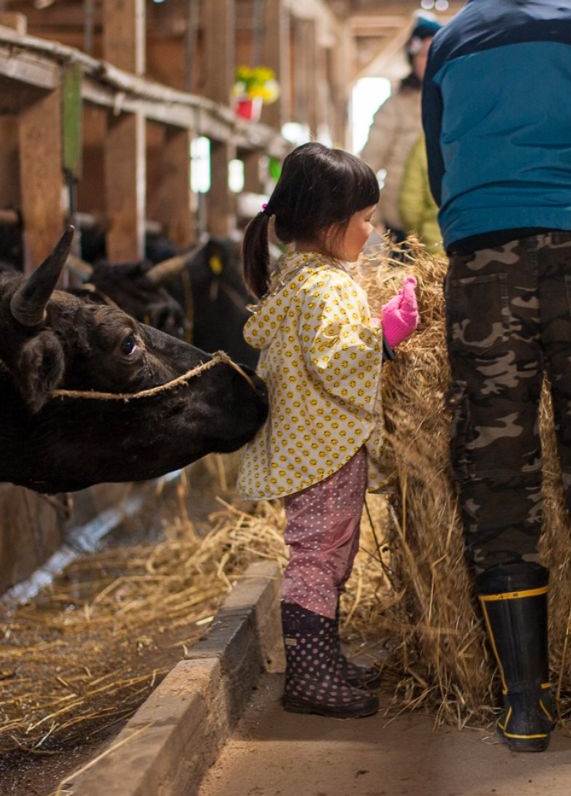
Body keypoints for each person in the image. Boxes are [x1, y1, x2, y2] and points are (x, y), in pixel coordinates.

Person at [422, 0, 571, 752]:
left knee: (496, 461)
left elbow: (440, 164)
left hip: (485, 250)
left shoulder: (453, 36)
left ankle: (525, 704)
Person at [236, 143, 420, 718]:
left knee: (330, 553)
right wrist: (385, 335)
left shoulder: (300, 277)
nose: (371, 231)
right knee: (318, 557)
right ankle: (309, 678)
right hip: (326, 449)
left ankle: (323, 662)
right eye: (364, 219)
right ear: (327, 223)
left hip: (314, 445)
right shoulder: (325, 286)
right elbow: (336, 360)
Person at [360, 14, 441, 248]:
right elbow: (371, 158)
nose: (429, 61)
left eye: (435, 54)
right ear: (412, 57)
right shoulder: (396, 104)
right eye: (423, 55)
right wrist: (365, 210)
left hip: (440, 215)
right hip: (401, 219)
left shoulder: (453, 99)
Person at [396, 135, 444, 255]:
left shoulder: (425, 143)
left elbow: (410, 204)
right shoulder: (478, 139)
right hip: (474, 242)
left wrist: (416, 235)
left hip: (433, 243)